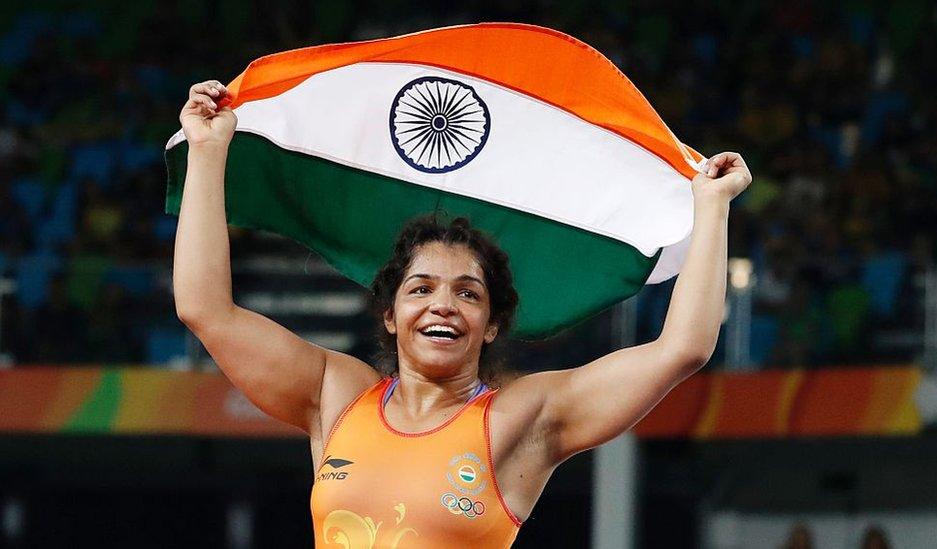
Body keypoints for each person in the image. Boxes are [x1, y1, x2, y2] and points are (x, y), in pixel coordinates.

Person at [173, 80, 752, 548]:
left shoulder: (520, 420)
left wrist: (712, 208)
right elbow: (204, 309)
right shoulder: (337, 395)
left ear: (493, 323)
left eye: (469, 293)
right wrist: (207, 151)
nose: (442, 305)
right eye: (420, 289)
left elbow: (683, 348)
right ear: (390, 315)